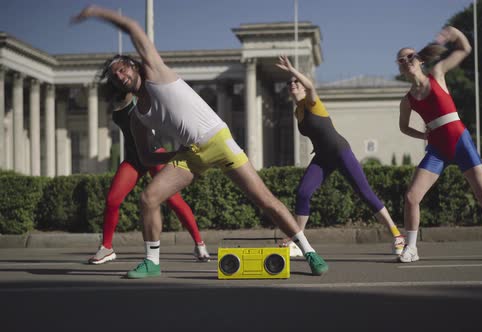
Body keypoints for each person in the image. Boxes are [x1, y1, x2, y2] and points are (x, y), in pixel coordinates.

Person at [72, 5, 328, 279]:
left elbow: (133, 27)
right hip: (191, 155)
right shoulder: (137, 117)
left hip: (218, 140)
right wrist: (173, 156)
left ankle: (309, 252)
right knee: (149, 198)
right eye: (116, 76)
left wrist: (99, 13)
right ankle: (152, 261)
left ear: (133, 65)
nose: (121, 76)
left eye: (122, 69)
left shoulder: (155, 71)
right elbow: (146, 157)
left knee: (265, 201)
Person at [396, 26, 482, 263]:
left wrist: (454, 33)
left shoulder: (437, 73)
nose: (407, 60)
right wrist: (423, 136)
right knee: (411, 197)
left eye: (411, 56)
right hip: (437, 150)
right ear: (400, 67)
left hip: (461, 142)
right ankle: (411, 248)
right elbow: (403, 127)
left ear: (419, 60)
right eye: (402, 59)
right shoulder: (407, 100)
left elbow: (465, 48)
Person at [275, 56, 405, 257]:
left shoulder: (311, 103)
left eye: (296, 82)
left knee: (365, 193)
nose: (292, 84)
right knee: (302, 193)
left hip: (340, 151)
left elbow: (310, 87)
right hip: (323, 157)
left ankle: (397, 235)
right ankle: (298, 242)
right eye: (289, 83)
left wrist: (292, 70)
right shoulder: (297, 112)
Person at [88, 90, 210, 265]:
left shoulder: (139, 97)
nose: (119, 77)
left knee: (174, 200)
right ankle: (106, 248)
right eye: (115, 75)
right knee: (112, 200)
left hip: (154, 154)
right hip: (133, 158)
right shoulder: (114, 97)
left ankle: (200, 244)